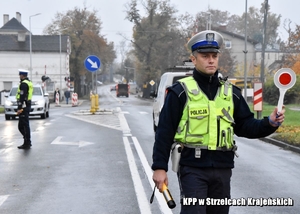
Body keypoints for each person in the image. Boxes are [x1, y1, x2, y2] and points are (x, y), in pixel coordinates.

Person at [151, 30, 285, 214]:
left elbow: (246, 126)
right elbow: (164, 132)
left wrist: (269, 123)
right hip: (192, 168)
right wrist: (159, 167)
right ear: (194, 59)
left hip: (222, 169)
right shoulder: (180, 92)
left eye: (214, 56)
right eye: (205, 56)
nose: (211, 60)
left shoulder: (231, 92)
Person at [16, 69, 33, 149]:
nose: (19, 76)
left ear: (22, 75)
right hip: (27, 105)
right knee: (24, 125)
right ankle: (27, 141)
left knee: (23, 126)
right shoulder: (29, 82)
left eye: (20, 75)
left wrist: (20, 108)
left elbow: (22, 97)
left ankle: (27, 142)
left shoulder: (23, 84)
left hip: (24, 107)